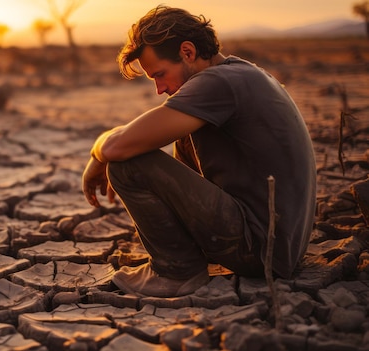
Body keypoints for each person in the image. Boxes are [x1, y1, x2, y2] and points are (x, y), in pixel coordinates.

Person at [82, 5, 316, 297]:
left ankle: (177, 271)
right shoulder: (241, 72)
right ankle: (190, 257)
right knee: (181, 133)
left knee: (125, 164)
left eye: (160, 74)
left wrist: (97, 155)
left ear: (188, 52)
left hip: (259, 250)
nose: (159, 88)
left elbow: (118, 146)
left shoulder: (218, 83)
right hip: (276, 245)